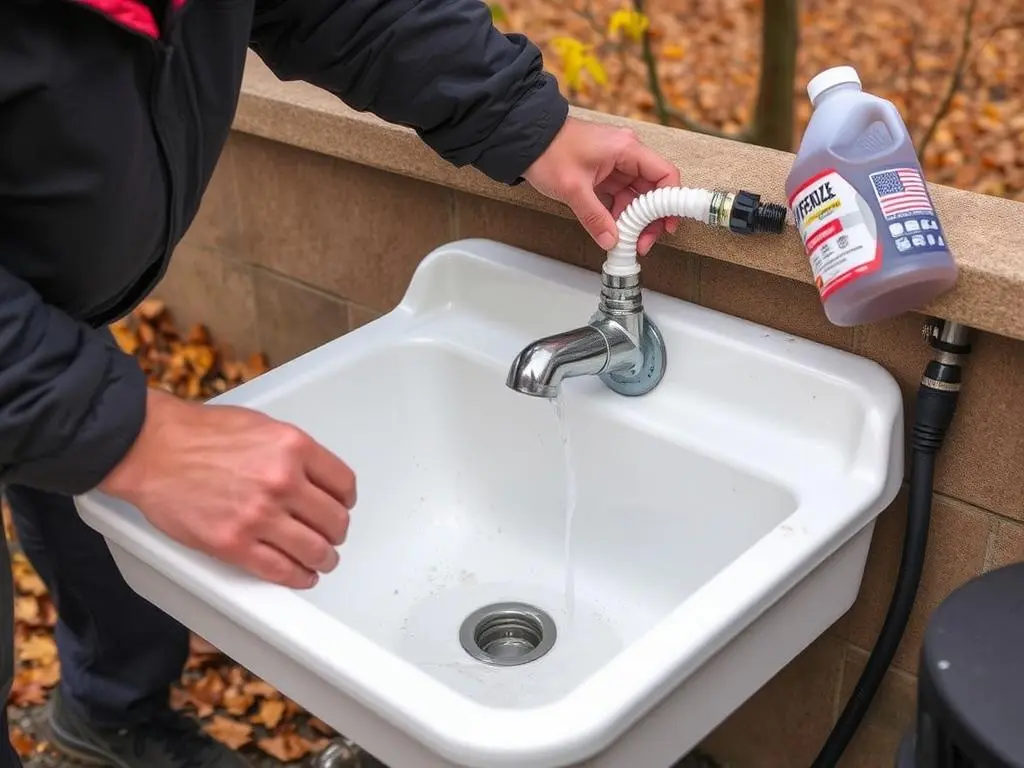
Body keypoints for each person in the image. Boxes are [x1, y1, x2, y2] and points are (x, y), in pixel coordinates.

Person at [0, 0, 682, 765]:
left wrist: (529, 122)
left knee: (78, 483)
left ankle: (110, 709)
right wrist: (123, 431)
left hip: (49, 299)